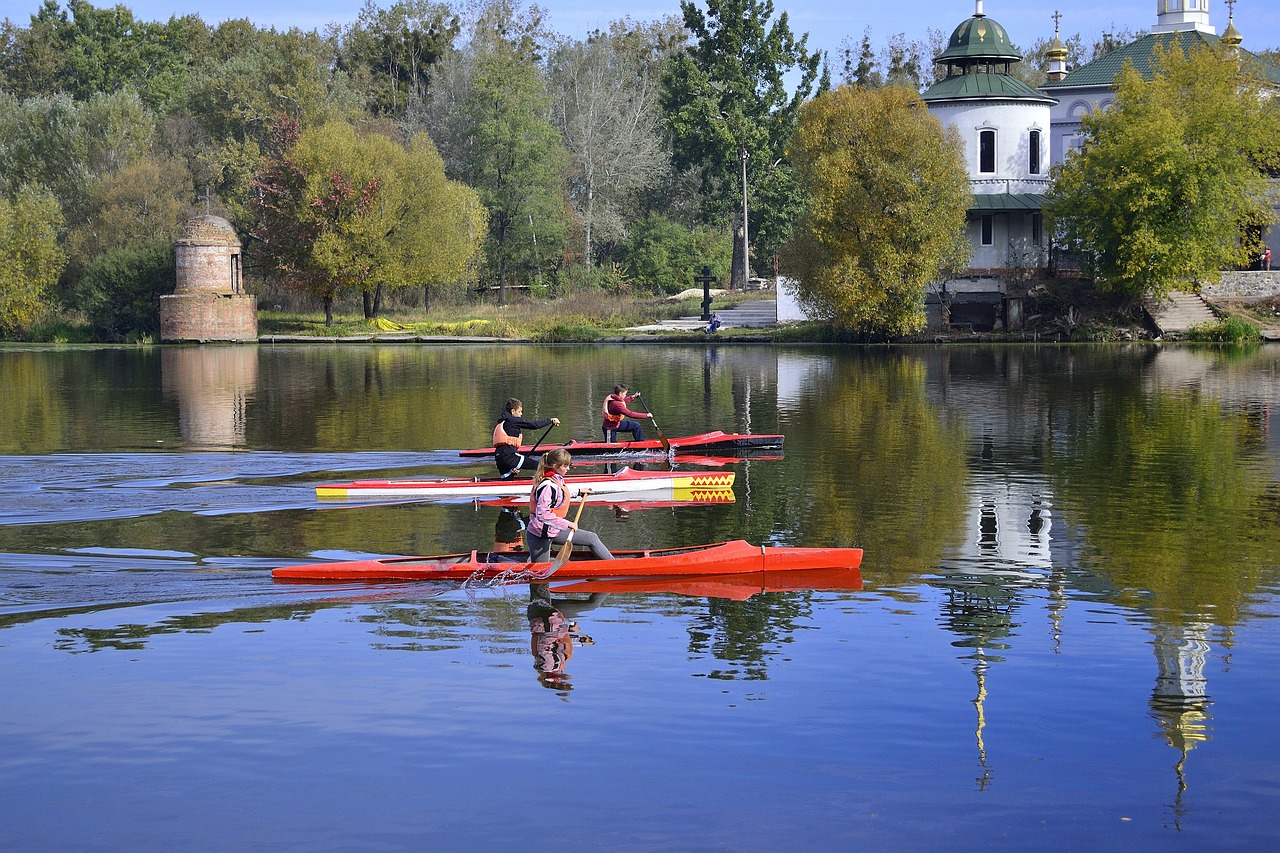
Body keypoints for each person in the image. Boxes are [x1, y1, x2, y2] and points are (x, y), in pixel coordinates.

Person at [524, 448, 614, 563]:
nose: (568, 468)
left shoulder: (556, 480)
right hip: (540, 534)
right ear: (555, 465)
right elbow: (542, 514)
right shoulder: (547, 486)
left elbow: (560, 494)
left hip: (554, 529)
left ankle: (614, 563)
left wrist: (579, 491)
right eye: (565, 466)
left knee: (591, 538)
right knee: (540, 570)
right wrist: (568, 524)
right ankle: (502, 560)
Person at [492, 398, 559, 478]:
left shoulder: (503, 421)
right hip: (510, 457)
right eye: (519, 411)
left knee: (507, 478)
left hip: (499, 458)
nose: (521, 414)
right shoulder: (512, 420)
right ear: (513, 411)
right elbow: (534, 425)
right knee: (541, 467)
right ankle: (554, 481)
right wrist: (550, 420)